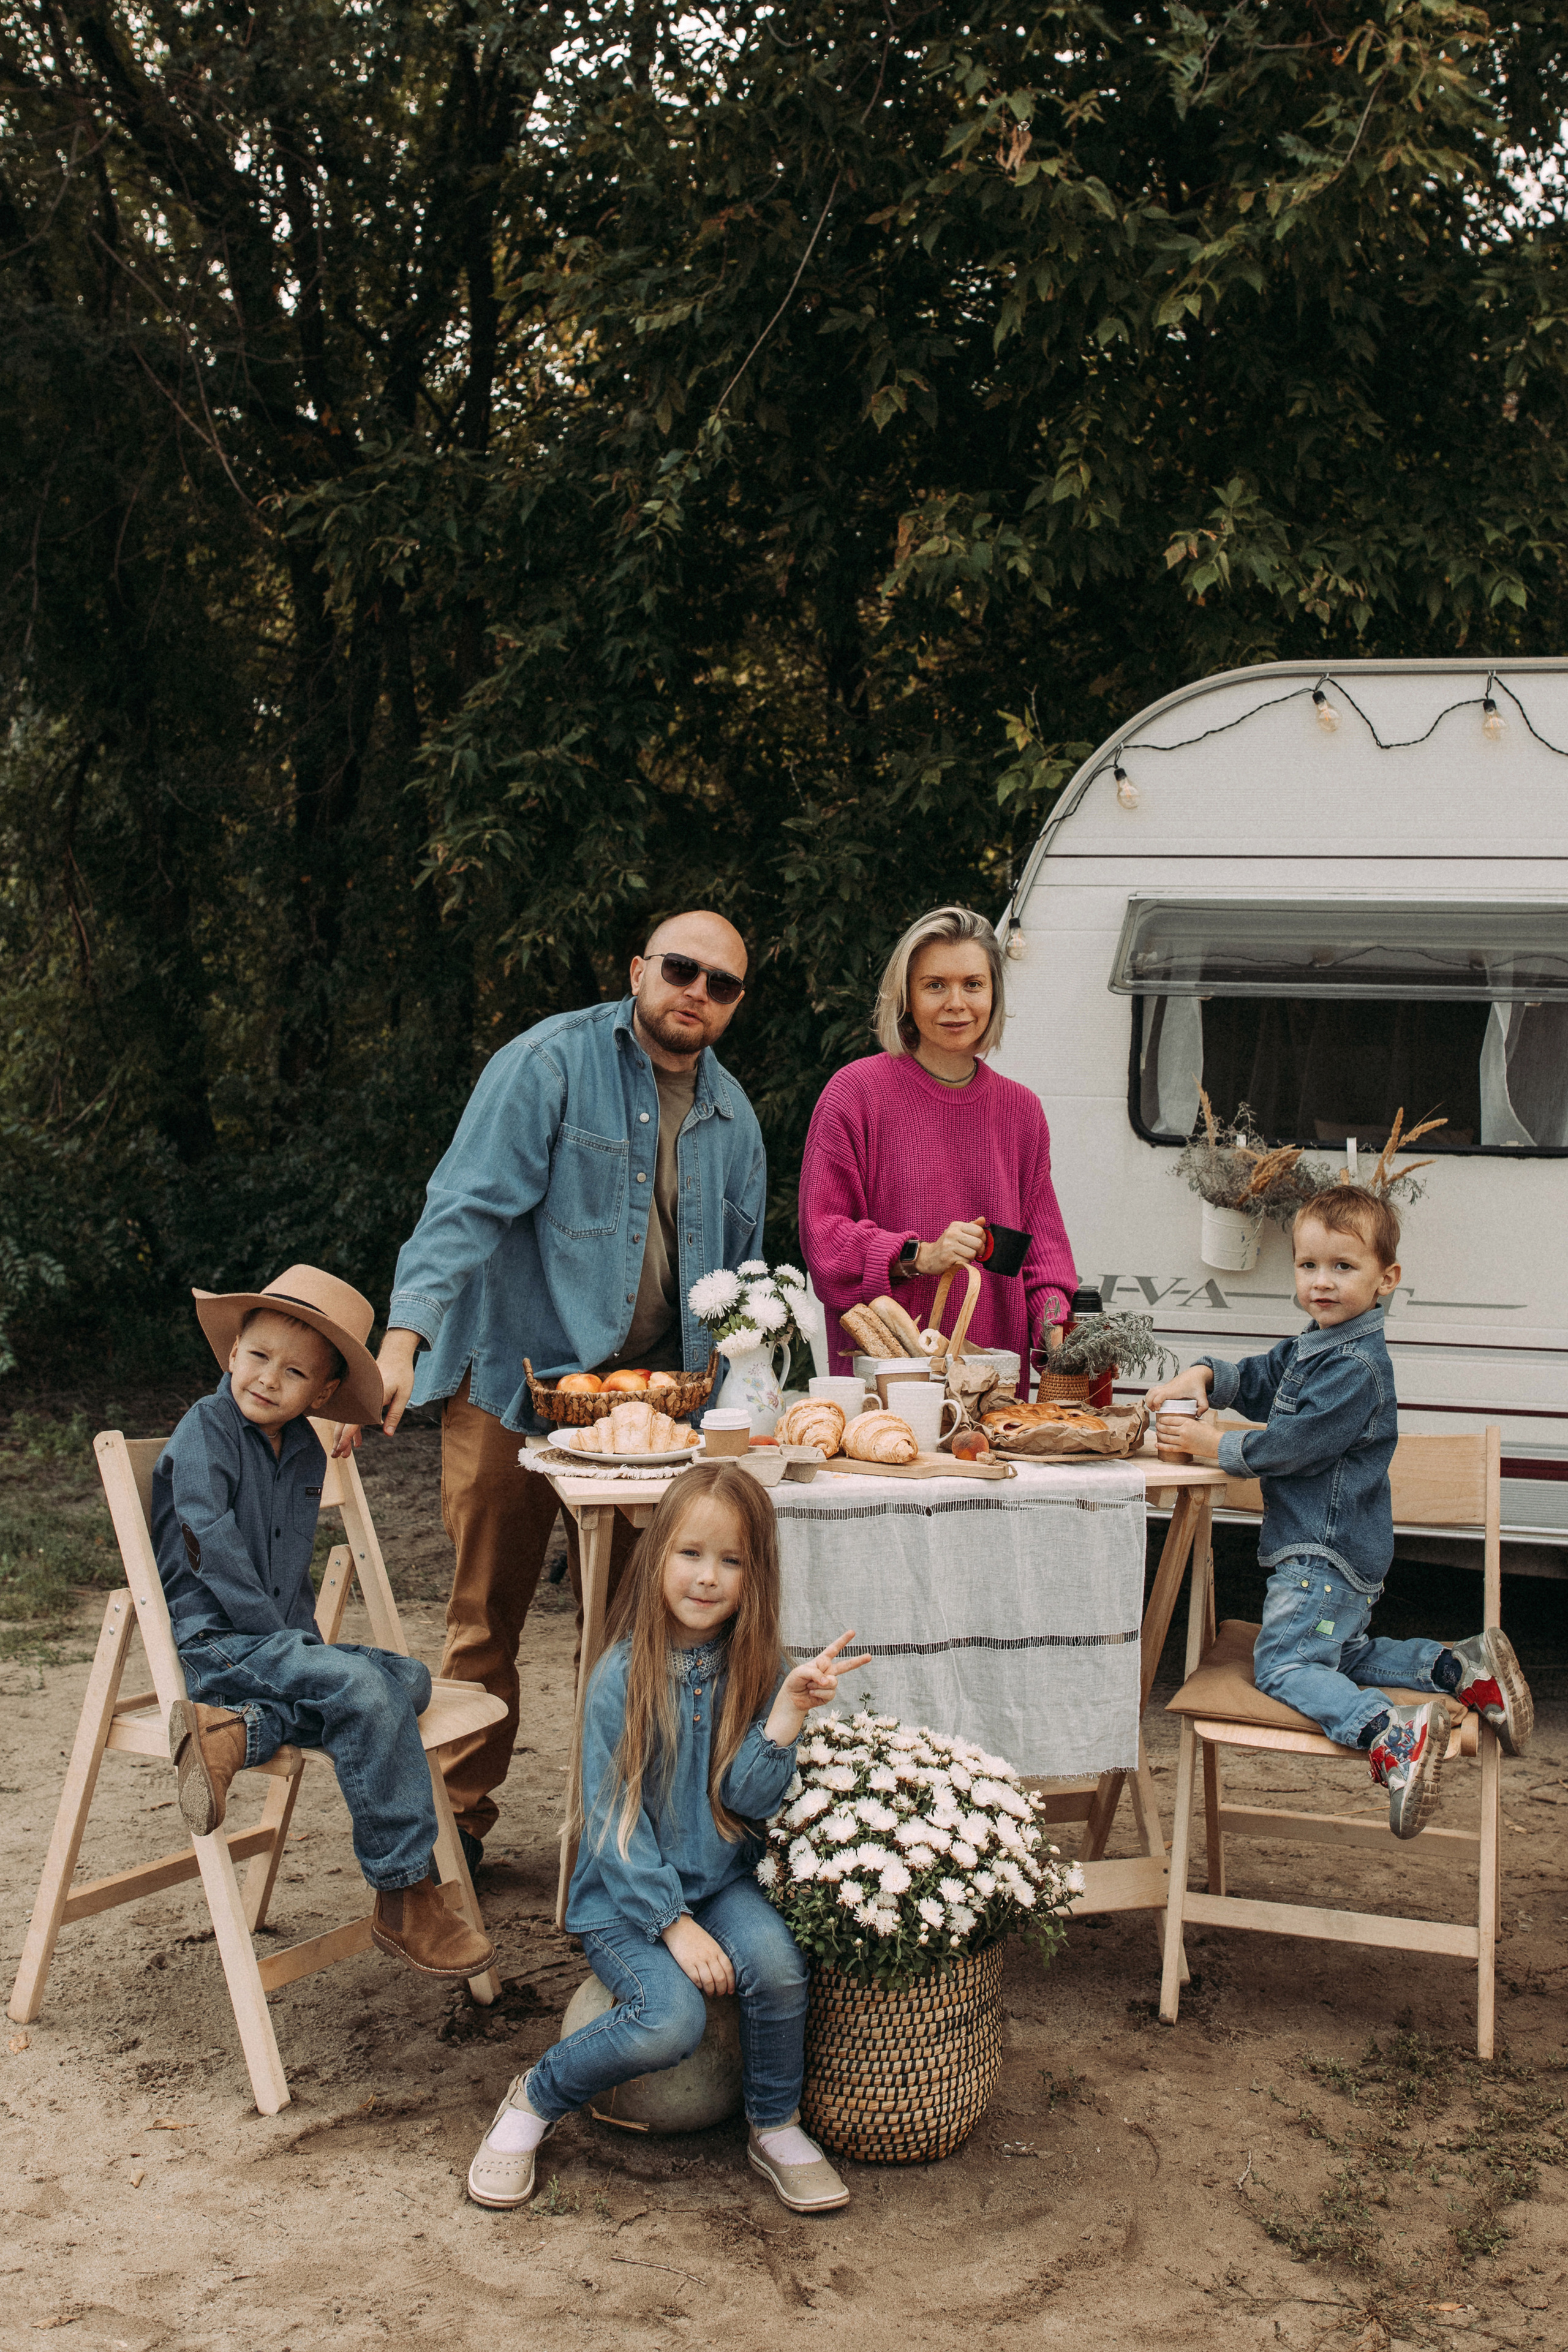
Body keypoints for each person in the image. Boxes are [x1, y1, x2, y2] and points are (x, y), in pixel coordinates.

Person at [369, 911, 766, 1874]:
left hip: (647, 1414)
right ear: (639, 970)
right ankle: (457, 1826)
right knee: (484, 1615)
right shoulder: (547, 1063)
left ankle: (624, 1827)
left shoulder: (735, 1117)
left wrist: (737, 1406)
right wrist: (400, 1340)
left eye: (722, 984)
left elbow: (741, 1283)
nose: (697, 994)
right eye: (681, 970)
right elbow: (463, 1203)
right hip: (512, 1378)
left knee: (647, 1626)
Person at [465, 1461, 870, 2213]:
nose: (708, 1577)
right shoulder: (620, 1677)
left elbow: (747, 1802)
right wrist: (671, 1925)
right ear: (656, 1558)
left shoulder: (756, 1666)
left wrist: (783, 1717)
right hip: (627, 1902)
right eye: (690, 1553)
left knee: (778, 1970)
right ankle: (534, 2097)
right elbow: (614, 1822)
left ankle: (773, 2124)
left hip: (719, 1881)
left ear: (757, 1576)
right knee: (670, 2018)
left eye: (732, 1560)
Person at [1148, 1187, 1534, 1836]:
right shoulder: (1317, 1345)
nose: (1321, 1283)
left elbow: (1297, 1445)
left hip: (1319, 1555)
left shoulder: (1356, 1366)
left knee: (1286, 1666)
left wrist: (1215, 1444)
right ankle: (1456, 1668)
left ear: (1387, 1280)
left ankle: (1388, 1731)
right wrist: (1205, 1377)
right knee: (1339, 1654)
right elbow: (1267, 1377)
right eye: (1307, 1266)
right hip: (1334, 1555)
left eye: (1342, 1268)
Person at [151, 1266, 497, 1980]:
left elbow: (288, 1569)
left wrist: (298, 1648)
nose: (268, 1380)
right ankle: (405, 1893)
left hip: (272, 1650)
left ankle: (234, 1731)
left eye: (296, 1372)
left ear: (324, 1393)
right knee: (362, 1694)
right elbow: (209, 1549)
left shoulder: (304, 1448)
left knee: (407, 1679)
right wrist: (289, 1646)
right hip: (218, 1641)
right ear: (231, 1352)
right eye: (257, 1357)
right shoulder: (204, 1432)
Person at [798, 904, 1076, 1378]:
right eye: (935, 986)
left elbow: (1039, 1255)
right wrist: (918, 1256)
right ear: (905, 996)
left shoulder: (1021, 1111)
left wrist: (1054, 1329)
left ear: (994, 995)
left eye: (973, 984)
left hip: (994, 1384)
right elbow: (823, 1239)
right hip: (889, 1383)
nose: (956, 1003)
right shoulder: (856, 1093)